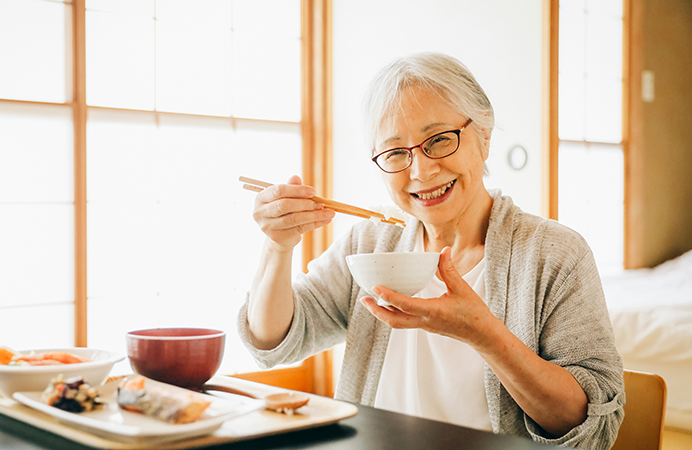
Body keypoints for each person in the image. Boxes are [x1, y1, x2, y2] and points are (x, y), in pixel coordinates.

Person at [237, 52, 624, 448]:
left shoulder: (554, 254)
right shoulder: (372, 244)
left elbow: (592, 427)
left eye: (439, 140)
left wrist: (485, 335)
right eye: (396, 153)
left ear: (484, 135)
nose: (420, 172)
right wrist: (277, 246)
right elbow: (274, 342)